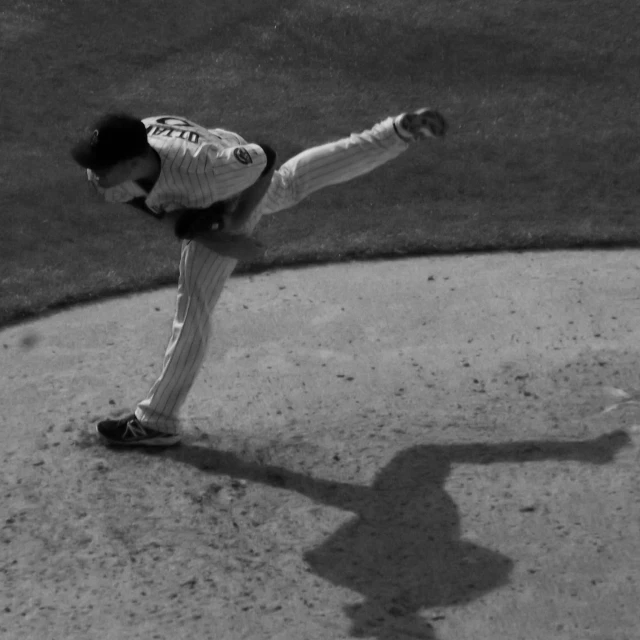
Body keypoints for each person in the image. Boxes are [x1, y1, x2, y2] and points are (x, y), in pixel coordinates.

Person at [71, 106, 449, 446]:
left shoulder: (210, 172)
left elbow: (264, 157)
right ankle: (396, 132)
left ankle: (156, 422)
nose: (93, 173)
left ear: (134, 160)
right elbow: (153, 205)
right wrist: (205, 234)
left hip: (231, 174)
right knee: (290, 185)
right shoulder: (119, 166)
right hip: (210, 171)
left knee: (195, 300)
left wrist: (233, 226)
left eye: (103, 165)